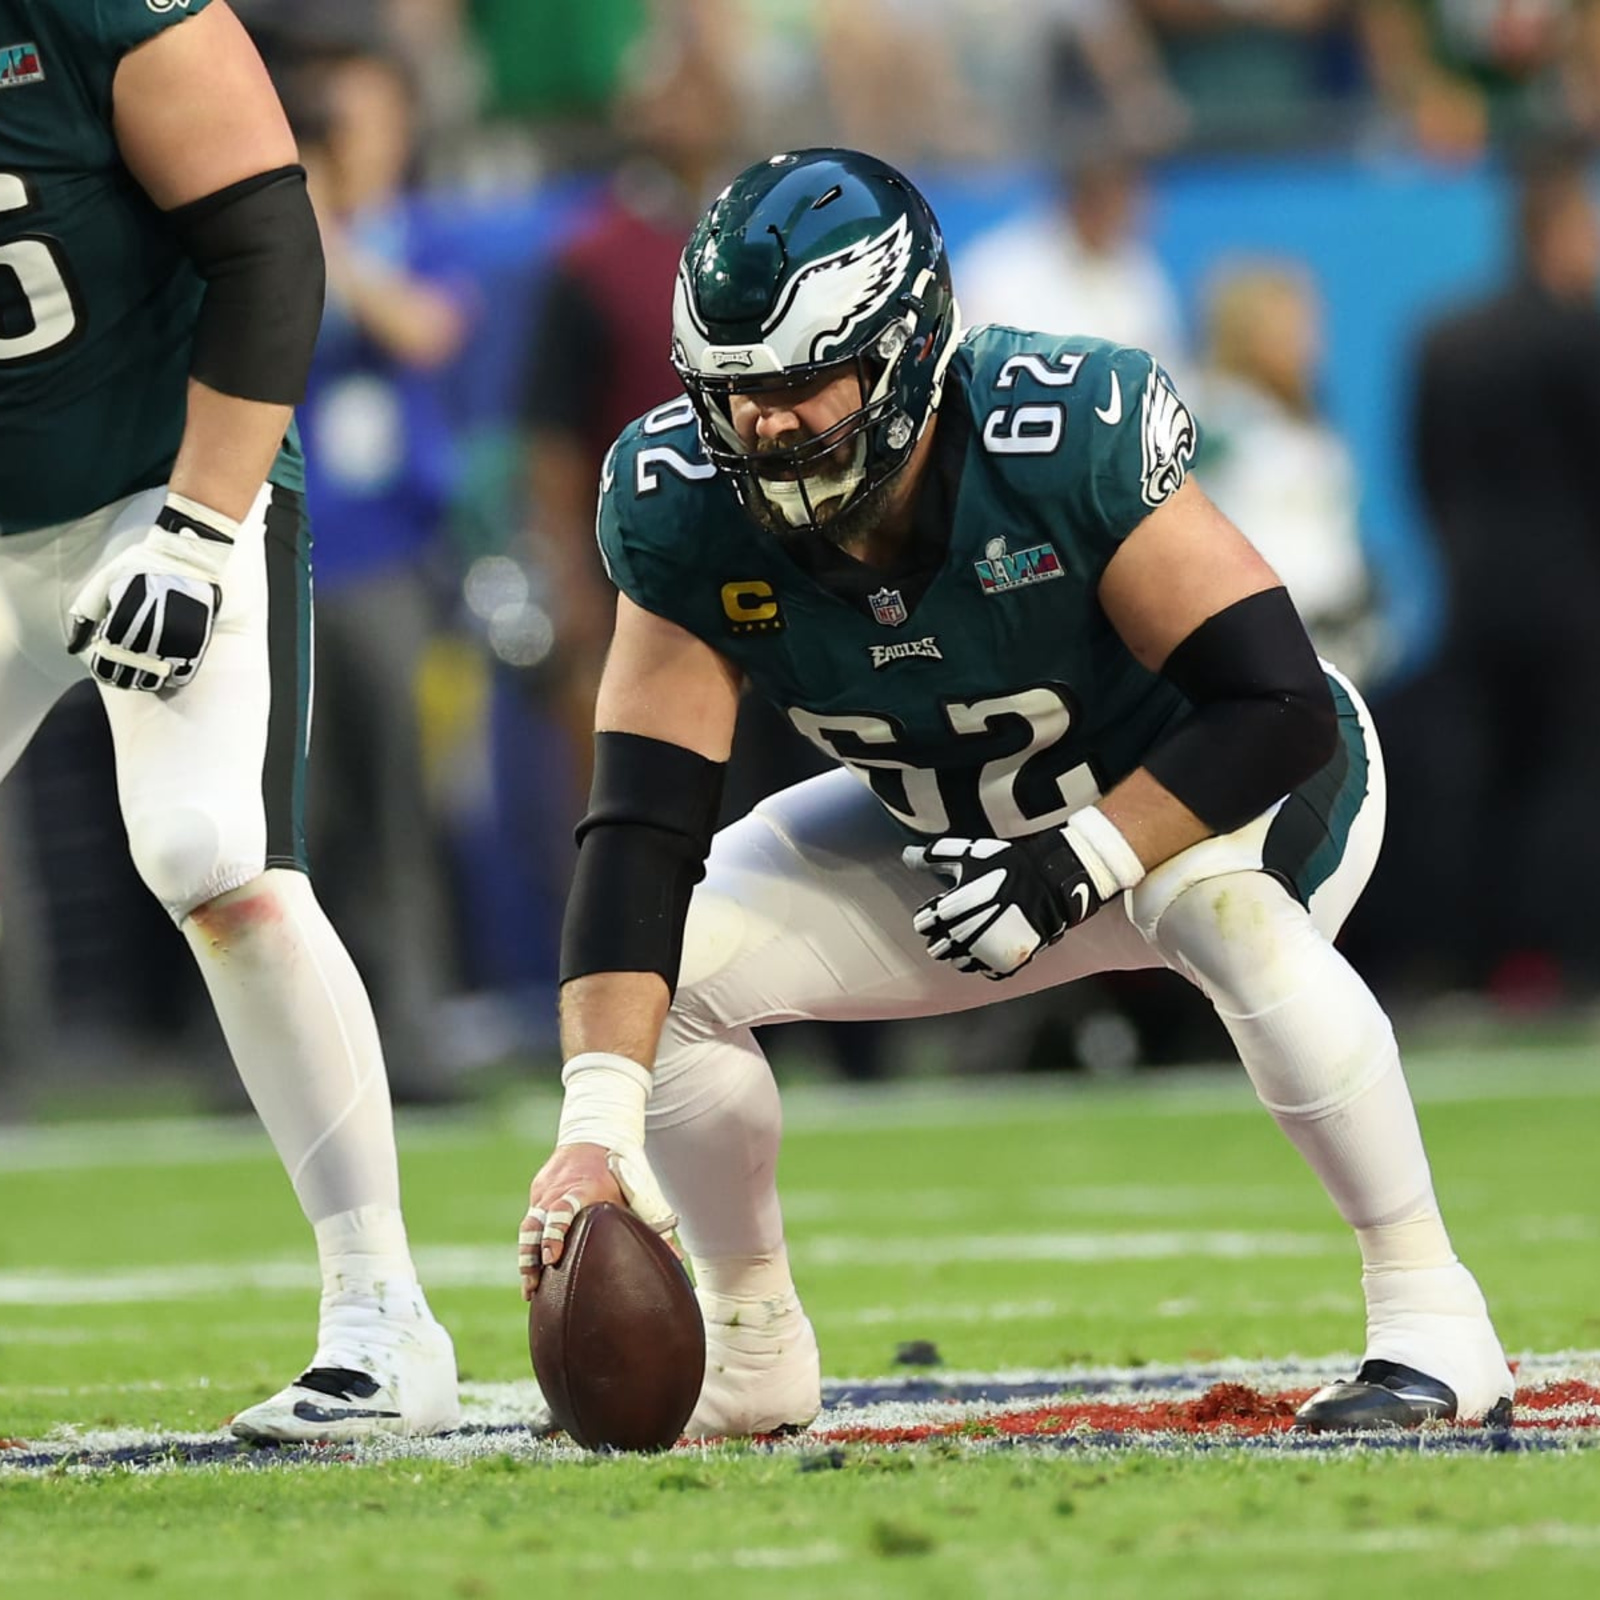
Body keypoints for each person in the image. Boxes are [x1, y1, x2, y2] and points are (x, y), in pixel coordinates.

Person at [516, 147, 1515, 1437]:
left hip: (1218, 791)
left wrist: (1084, 854)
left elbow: (1271, 705)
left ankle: (1435, 1315)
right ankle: (753, 1345)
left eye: (796, 384)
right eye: (732, 391)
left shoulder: (1054, 436)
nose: (761, 425)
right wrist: (594, 1125)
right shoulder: (683, 507)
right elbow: (642, 831)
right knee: (682, 973)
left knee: (1220, 908)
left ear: (903, 349)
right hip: (963, 831)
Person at [0, 0, 455, 1440]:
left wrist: (201, 527)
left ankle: (384, 1321)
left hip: (166, 476)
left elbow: (267, 237)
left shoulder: (94, 11)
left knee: (212, 852)